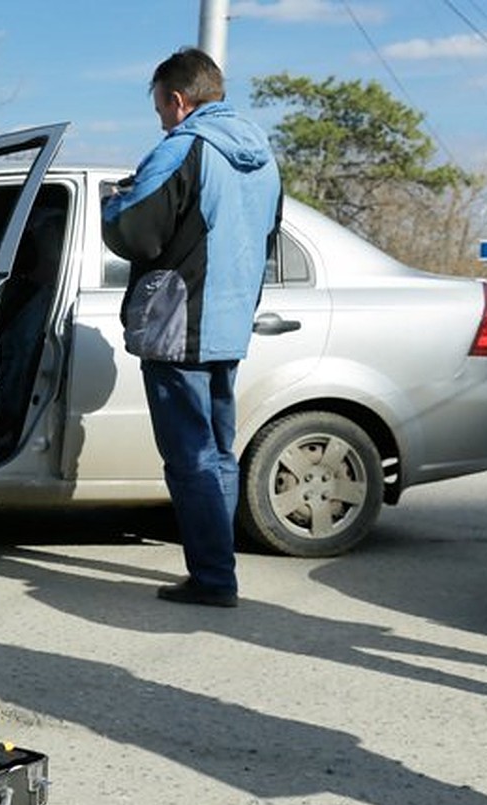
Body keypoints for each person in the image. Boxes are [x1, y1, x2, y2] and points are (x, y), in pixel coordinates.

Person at [101, 47, 282, 608]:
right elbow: (266, 236)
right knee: (219, 452)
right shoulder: (264, 159)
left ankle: (212, 579)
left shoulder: (183, 149)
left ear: (178, 101)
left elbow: (137, 234)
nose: (160, 118)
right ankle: (217, 567)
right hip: (229, 324)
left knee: (190, 457)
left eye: (160, 107)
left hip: (179, 324)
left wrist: (115, 203)